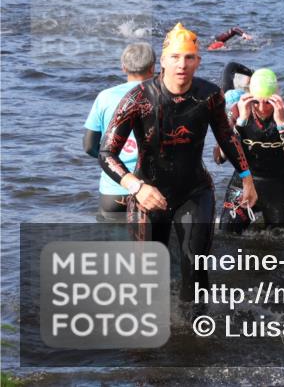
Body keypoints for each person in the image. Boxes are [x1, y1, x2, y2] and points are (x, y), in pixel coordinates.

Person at [98, 23, 256, 302]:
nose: (182, 64)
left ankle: (196, 332)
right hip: (148, 193)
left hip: (195, 191)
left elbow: (227, 136)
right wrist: (136, 187)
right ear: (162, 60)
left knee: (196, 267)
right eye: (175, 57)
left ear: (198, 61)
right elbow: (106, 152)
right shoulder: (138, 98)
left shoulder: (209, 95)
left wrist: (246, 177)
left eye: (189, 57)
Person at [215, 69, 284, 233]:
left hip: (277, 187)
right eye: (256, 102)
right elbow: (219, 158)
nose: (262, 108)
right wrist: (240, 122)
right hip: (243, 184)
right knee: (226, 235)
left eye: (268, 102)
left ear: (277, 96)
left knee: (282, 242)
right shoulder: (236, 111)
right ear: (249, 96)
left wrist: (281, 125)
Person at [83, 43, 156, 221]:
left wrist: (113, 161)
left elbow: (89, 146)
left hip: (113, 191)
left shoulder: (105, 97)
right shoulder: (161, 95)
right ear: (154, 67)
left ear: (123, 67)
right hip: (152, 191)